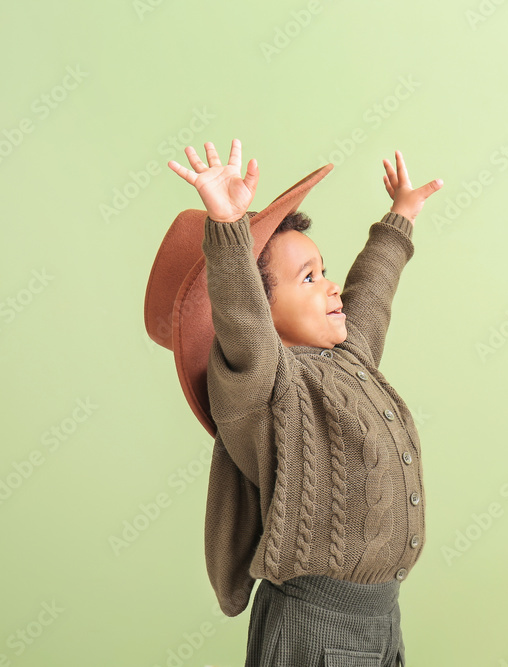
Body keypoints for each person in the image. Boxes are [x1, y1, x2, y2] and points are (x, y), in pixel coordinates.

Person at [166, 139, 442, 666]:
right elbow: (242, 320)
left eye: (324, 269)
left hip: (381, 620)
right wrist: (227, 225)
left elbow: (372, 293)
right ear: (261, 308)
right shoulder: (264, 387)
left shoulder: (348, 357)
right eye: (309, 278)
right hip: (316, 629)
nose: (331, 287)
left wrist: (399, 217)